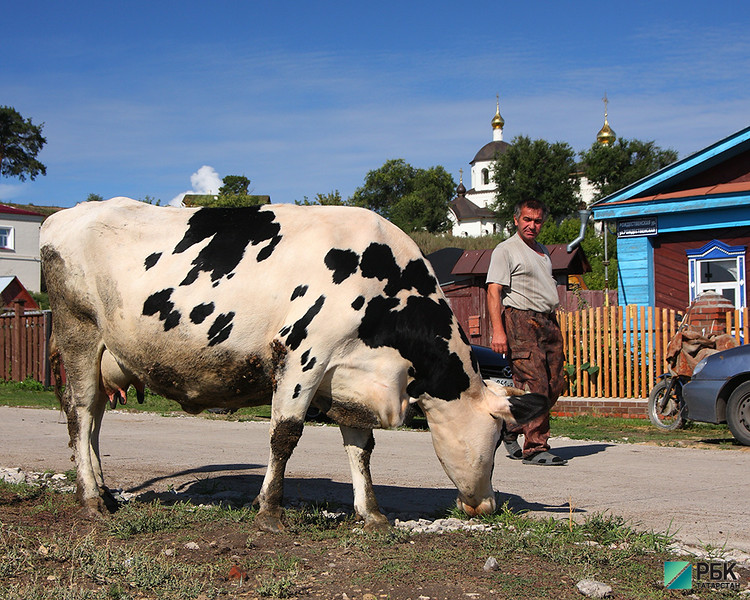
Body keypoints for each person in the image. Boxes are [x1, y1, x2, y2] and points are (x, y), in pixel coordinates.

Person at [486, 199, 567, 466]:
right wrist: (499, 331)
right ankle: (535, 447)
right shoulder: (506, 250)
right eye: (527, 220)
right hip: (520, 319)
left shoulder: (543, 251)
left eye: (537, 221)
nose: (532, 225)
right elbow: (494, 291)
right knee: (537, 384)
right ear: (516, 219)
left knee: (555, 383)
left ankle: (510, 429)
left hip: (547, 321)